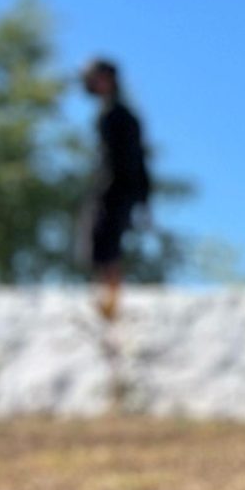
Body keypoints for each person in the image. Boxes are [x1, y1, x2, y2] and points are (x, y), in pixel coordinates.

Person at [77, 59, 152, 316]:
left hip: (118, 188)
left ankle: (111, 300)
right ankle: (106, 297)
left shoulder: (119, 114)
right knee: (99, 241)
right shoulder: (110, 112)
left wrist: (142, 197)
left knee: (107, 240)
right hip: (114, 187)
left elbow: (135, 159)